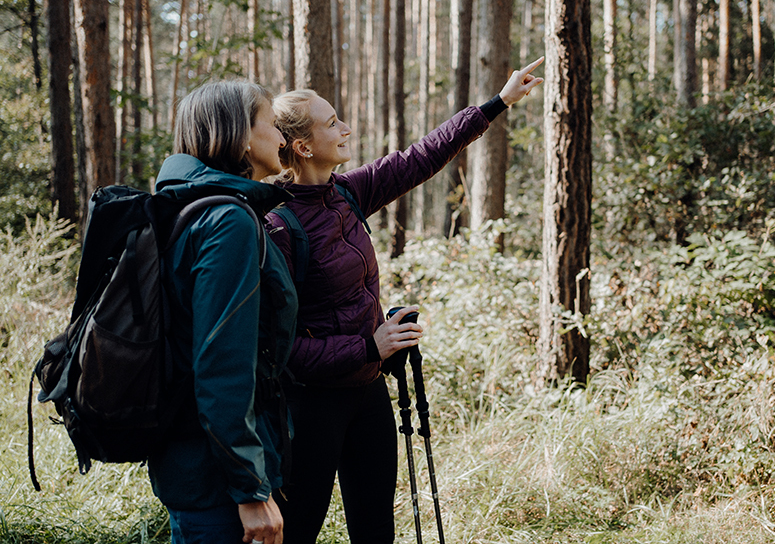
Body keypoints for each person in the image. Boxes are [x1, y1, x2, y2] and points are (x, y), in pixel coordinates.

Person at [265, 57, 545, 544]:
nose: (346, 128)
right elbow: (280, 351)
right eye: (333, 123)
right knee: (297, 533)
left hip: (368, 394)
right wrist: (370, 346)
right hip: (309, 411)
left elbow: (421, 156)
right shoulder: (276, 227)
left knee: (376, 532)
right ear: (304, 146)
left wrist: (498, 103)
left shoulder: (346, 193)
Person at [148, 81, 298, 544]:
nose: (282, 139)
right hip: (219, 484)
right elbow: (222, 367)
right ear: (241, 137)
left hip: (192, 463)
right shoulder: (227, 221)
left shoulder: (186, 207)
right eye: (272, 125)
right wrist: (250, 491)